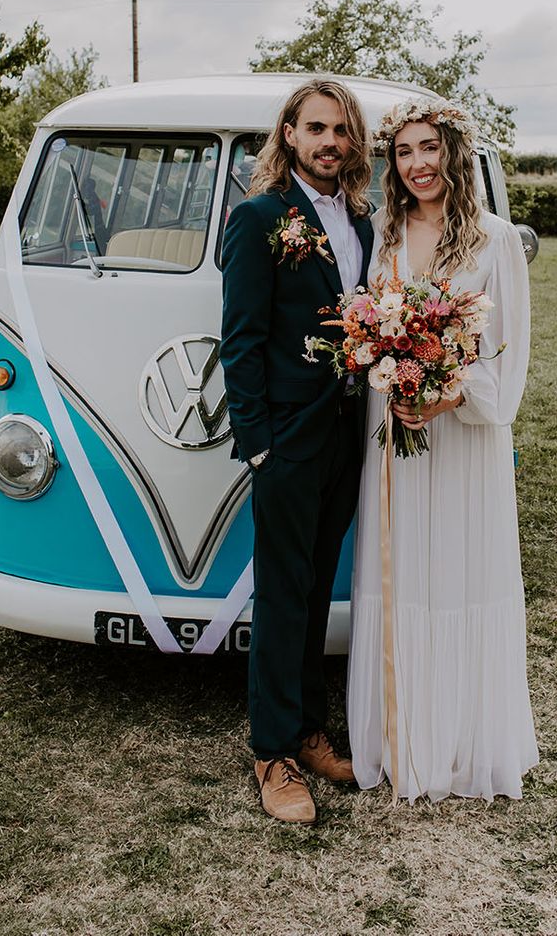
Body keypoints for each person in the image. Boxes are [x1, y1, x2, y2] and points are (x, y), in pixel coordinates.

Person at [347, 98, 539, 803]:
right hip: (395, 435)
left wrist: (447, 394)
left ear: (452, 151)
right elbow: (372, 323)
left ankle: (460, 743)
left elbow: (507, 357)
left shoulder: (495, 242)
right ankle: (400, 736)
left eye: (429, 147)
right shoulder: (388, 233)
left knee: (457, 572)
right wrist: (389, 369)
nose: (417, 163)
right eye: (403, 152)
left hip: (463, 442)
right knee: (402, 573)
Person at [220, 79, 374, 823]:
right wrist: (256, 447)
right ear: (288, 134)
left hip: (347, 436)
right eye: (316, 128)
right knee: (281, 596)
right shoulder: (257, 221)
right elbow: (241, 341)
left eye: (341, 131)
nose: (329, 143)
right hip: (283, 444)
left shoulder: (363, 225)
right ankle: (271, 751)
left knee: (316, 592)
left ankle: (311, 728)